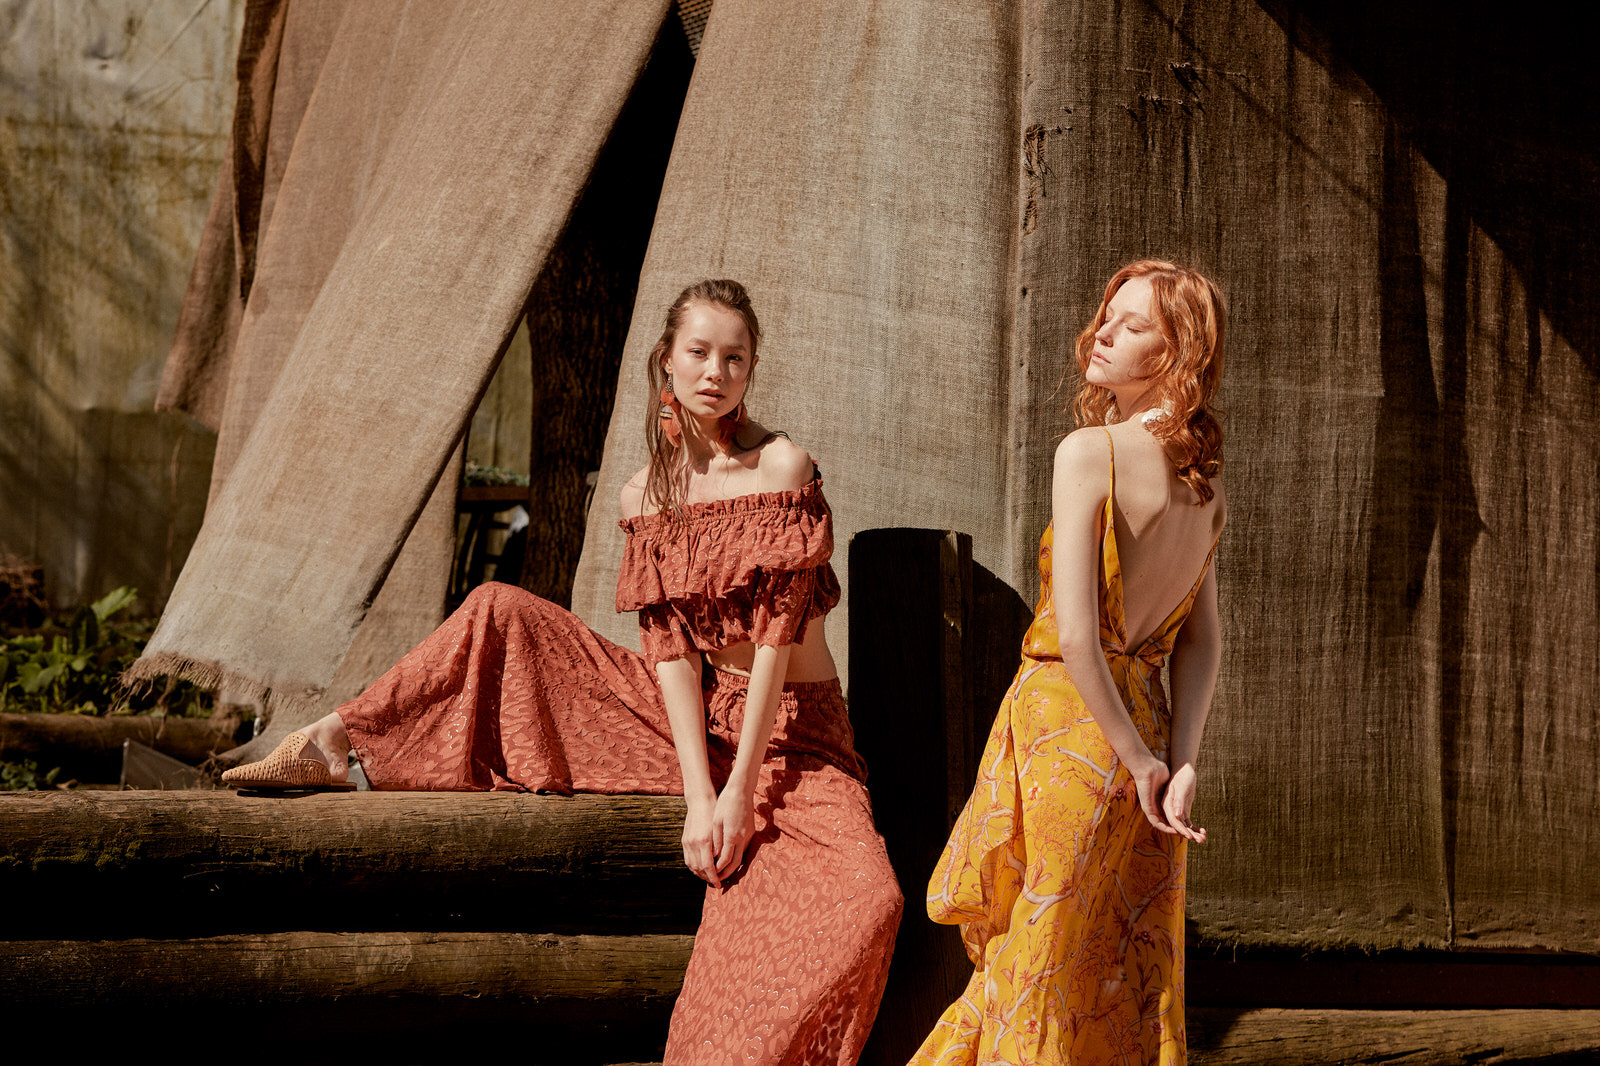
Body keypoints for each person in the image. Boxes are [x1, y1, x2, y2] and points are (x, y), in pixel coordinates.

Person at [223, 279, 904, 1065]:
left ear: (751, 368)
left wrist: (739, 794)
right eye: (699, 353)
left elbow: (778, 641)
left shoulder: (781, 467)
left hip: (794, 736)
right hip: (697, 721)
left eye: (735, 358)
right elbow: (672, 654)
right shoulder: (647, 494)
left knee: (871, 901)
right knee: (500, 609)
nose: (716, 372)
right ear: (667, 360)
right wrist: (698, 799)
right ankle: (340, 742)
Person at [910, 260, 1228, 1065]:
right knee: (1113, 975)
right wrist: (1176, 760)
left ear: (1177, 352)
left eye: (1133, 324)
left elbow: (1080, 639)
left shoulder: (1091, 452)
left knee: (1034, 966)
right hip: (1146, 731)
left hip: (1072, 730)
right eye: (1106, 315)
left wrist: (1141, 763)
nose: (1102, 333)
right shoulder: (1205, 488)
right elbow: (1203, 638)